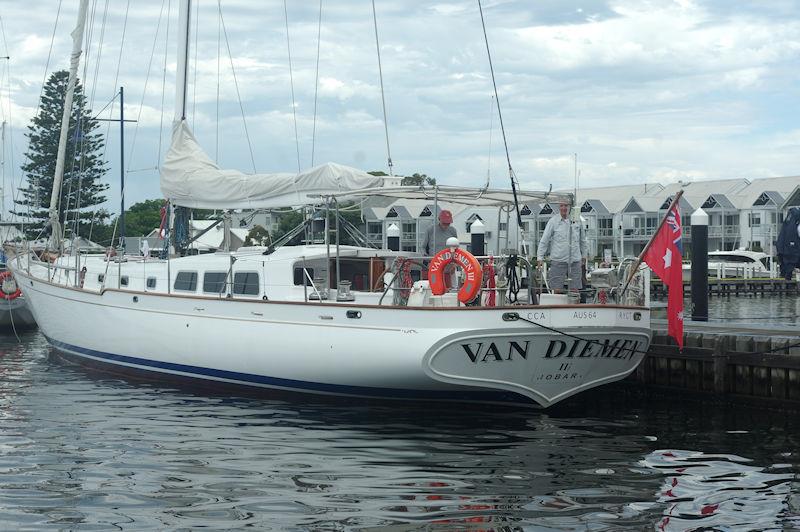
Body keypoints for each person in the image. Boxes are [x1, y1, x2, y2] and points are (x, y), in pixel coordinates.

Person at [536, 201, 587, 292]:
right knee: (556, 289)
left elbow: (583, 240)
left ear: (570, 207)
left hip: (575, 260)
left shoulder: (578, 220)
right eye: (562, 206)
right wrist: (540, 257)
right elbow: (545, 240)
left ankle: (575, 306)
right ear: (558, 207)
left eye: (566, 205)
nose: (564, 208)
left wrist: (584, 255)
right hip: (558, 260)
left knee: (575, 290)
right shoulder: (553, 221)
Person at [777, 206, 800, 280]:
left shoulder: (789, 220)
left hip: (785, 250)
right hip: (792, 251)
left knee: (787, 273)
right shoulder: (795, 219)